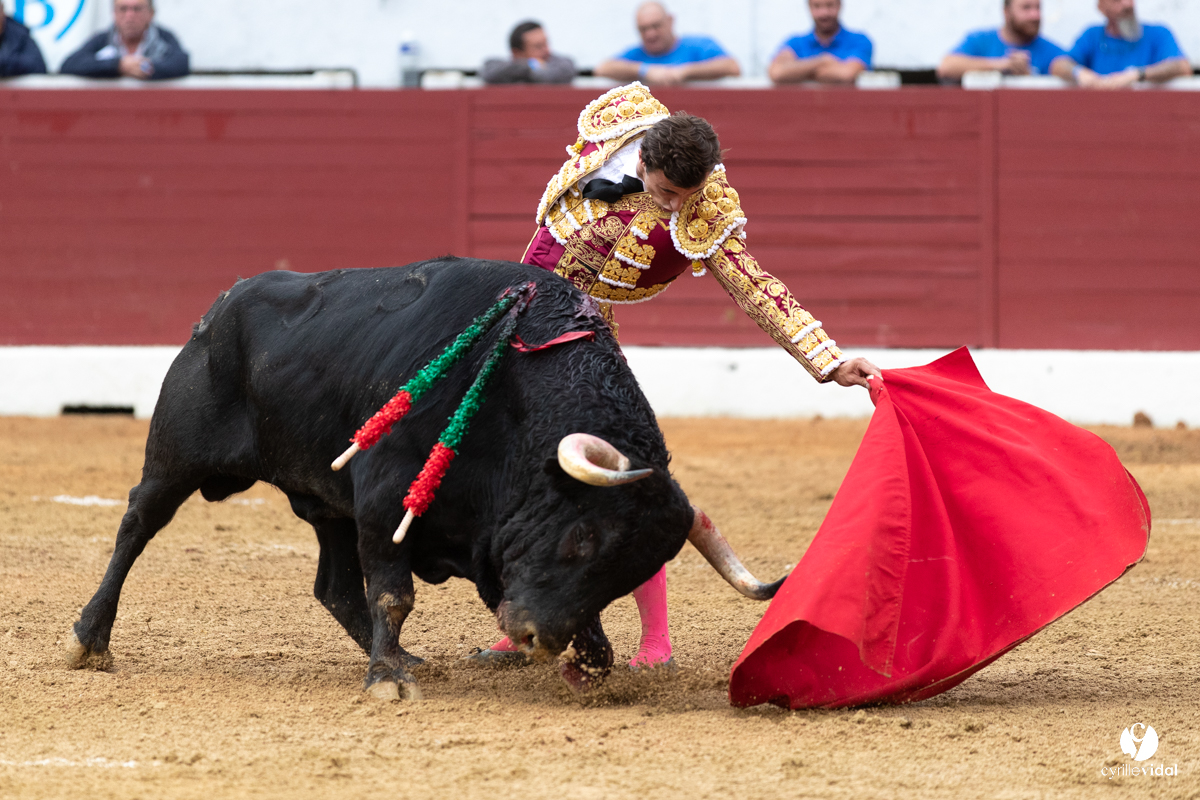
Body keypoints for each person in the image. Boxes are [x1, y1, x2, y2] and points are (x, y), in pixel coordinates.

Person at [470, 82, 880, 671]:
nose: (673, 209)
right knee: (515, 475)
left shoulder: (705, 209)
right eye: (665, 193)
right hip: (517, 318)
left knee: (623, 481)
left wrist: (829, 360)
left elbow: (755, 285)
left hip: (585, 338)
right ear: (642, 159)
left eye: (686, 197)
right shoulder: (620, 119)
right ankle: (522, 619)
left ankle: (656, 641)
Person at [1050, 0, 1190, 89]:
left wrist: (1136, 75)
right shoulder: (1092, 36)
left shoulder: (1158, 34)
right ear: (1101, 7)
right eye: (1117, 0)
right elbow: (1058, 64)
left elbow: (1182, 66)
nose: (1127, 4)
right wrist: (1080, 73)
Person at [594, 1, 739, 86]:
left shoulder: (699, 45)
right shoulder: (637, 54)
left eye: (656, 26)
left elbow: (732, 67)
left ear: (670, 21)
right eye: (643, 29)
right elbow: (603, 68)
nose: (650, 34)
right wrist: (646, 71)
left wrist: (684, 72)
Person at [937, 0, 1066, 81]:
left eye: (1038, 8)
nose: (1035, 15)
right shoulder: (980, 41)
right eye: (1026, 8)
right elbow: (946, 67)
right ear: (1006, 12)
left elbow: (1075, 71)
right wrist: (1003, 65)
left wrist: (1031, 77)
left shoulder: (1052, 51)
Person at [61, 0, 188, 81]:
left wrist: (142, 67)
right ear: (114, 13)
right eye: (123, 9)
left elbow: (181, 63)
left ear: (151, 13)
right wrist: (118, 66)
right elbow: (70, 65)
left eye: (137, 9)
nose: (129, 16)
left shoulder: (164, 39)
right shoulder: (102, 39)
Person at [769, 0, 873, 85]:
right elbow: (776, 73)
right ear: (809, 7)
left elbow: (847, 75)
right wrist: (823, 61)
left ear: (839, 5)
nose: (824, 13)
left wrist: (797, 73)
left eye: (830, 5)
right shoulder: (795, 42)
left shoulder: (859, 41)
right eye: (817, 6)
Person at [481, 20, 575, 85]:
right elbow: (489, 72)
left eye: (545, 43)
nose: (546, 50)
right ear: (517, 53)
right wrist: (532, 64)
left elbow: (565, 71)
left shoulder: (562, 65)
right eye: (538, 46)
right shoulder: (504, 68)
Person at [0, 0, 47, 77]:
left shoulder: (19, 34)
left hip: (14, 88)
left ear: (2, 10)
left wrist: (6, 64)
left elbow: (37, 65)